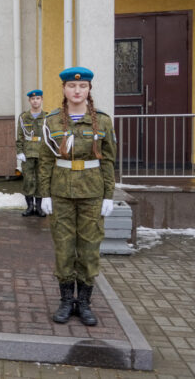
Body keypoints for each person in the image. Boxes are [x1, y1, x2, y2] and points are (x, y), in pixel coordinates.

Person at [38, 67, 116, 326]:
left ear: (89, 90)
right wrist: (44, 194)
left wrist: (108, 195)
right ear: (64, 89)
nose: (77, 91)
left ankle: (83, 303)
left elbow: (109, 161)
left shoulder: (102, 121)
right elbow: (46, 161)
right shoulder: (52, 121)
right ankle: (64, 301)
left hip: (92, 194)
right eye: (71, 86)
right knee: (64, 249)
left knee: (89, 249)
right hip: (61, 194)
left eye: (82, 87)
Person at [16, 89, 46, 217]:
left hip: (42, 153)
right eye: (33, 99)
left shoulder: (47, 117)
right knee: (28, 180)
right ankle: (29, 207)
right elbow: (20, 135)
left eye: (38, 98)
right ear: (29, 101)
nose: (35, 101)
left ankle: (38, 207)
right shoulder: (23, 117)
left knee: (41, 179)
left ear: (41, 100)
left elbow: (50, 137)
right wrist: (19, 152)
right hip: (27, 153)